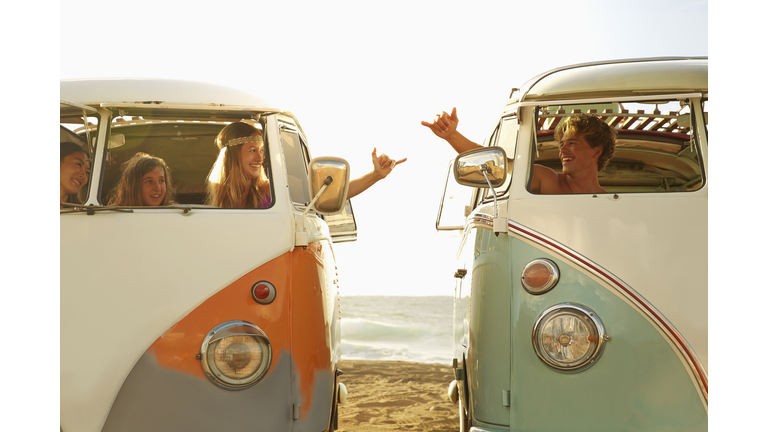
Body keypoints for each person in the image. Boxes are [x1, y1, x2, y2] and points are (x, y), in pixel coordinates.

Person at [206, 121, 406, 208]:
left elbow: (330, 193)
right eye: (252, 150)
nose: (260, 158)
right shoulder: (214, 204)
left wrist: (376, 176)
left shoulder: (272, 191)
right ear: (231, 156)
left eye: (261, 150)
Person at [422, 108, 615, 194]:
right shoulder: (546, 179)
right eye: (562, 144)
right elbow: (496, 162)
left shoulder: (613, 202)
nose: (563, 149)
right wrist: (451, 135)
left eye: (572, 143)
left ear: (596, 151)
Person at [108, 153, 176, 206]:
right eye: (149, 181)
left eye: (161, 181)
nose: (157, 188)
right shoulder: (114, 214)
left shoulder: (178, 213)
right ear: (133, 185)